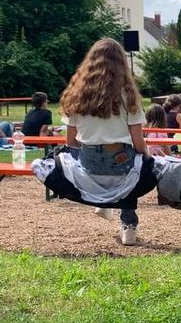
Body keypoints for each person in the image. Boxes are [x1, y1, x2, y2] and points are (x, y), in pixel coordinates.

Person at [56, 38, 150, 246]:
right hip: (121, 160)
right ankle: (128, 225)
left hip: (89, 163)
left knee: (95, 162)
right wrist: (147, 154)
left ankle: (102, 200)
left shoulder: (77, 94)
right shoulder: (128, 95)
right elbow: (138, 142)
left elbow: (70, 141)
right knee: (135, 166)